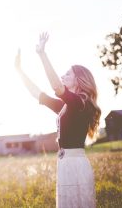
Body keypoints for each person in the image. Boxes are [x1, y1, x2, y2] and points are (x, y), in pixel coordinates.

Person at [15, 32, 101, 208]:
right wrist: (19, 71)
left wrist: (42, 54)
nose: (62, 77)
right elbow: (37, 94)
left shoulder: (81, 103)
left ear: (79, 80)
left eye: (67, 74)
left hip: (75, 165)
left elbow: (56, 87)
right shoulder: (68, 106)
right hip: (66, 163)